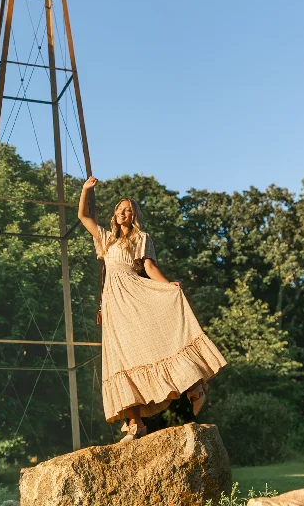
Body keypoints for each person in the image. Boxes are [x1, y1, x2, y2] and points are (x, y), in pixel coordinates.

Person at [78, 176, 227, 443]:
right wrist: (85, 191)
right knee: (121, 361)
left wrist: (169, 285)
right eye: (119, 209)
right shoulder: (105, 239)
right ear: (115, 214)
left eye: (128, 210)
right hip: (113, 304)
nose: (122, 213)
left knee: (153, 343)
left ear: (133, 215)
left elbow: (149, 269)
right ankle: (135, 425)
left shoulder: (141, 238)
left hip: (134, 294)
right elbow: (82, 216)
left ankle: (195, 385)